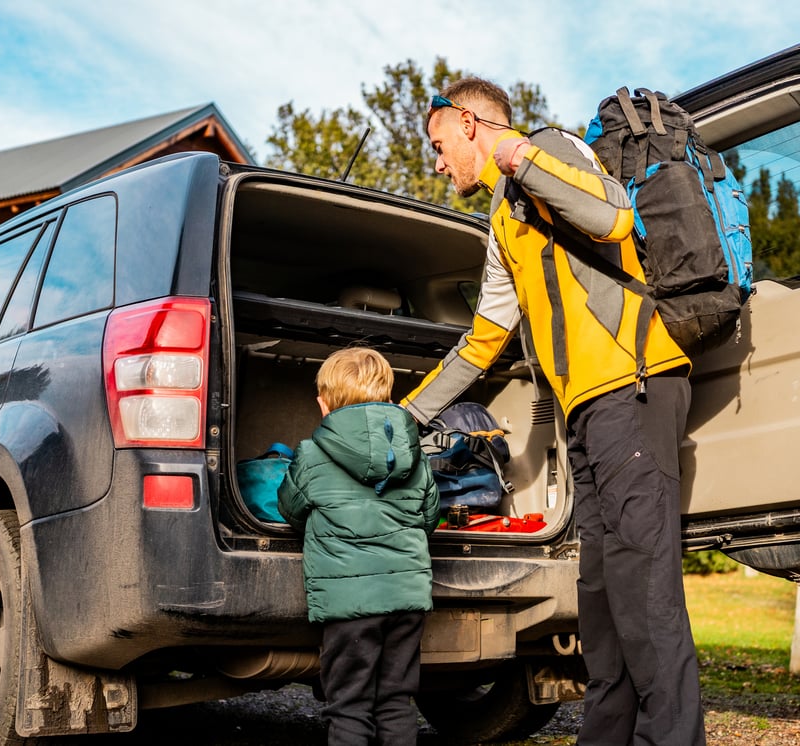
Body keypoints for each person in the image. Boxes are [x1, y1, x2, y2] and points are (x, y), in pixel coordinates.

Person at [401, 78, 706, 745]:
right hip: (588, 413)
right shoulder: (504, 215)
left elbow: (613, 216)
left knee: (645, 590)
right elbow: (484, 339)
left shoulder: (545, 148)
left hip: (635, 384)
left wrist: (516, 155)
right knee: (599, 596)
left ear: (469, 122)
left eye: (439, 143)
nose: (437, 160)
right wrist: (405, 414)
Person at [279, 346, 440, 745]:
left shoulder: (313, 454)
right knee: (396, 700)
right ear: (389, 398)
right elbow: (429, 516)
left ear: (323, 404)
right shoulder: (414, 455)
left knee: (349, 704)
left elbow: (290, 509)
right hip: (406, 601)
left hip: (349, 605)